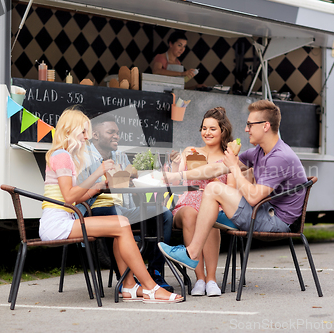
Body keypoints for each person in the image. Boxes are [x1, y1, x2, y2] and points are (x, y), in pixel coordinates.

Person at [40, 108, 182, 303]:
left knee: (122, 224)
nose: (86, 137)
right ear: (70, 130)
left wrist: (98, 186)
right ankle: (150, 287)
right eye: (83, 132)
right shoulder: (62, 155)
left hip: (67, 219)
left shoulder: (66, 156)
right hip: (56, 223)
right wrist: (98, 172)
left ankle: (130, 286)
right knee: (121, 224)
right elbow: (69, 197)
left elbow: (77, 197)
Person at [158, 100, 308, 270]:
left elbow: (253, 197)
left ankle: (191, 254)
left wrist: (234, 168)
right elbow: (216, 168)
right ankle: (198, 266)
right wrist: (177, 175)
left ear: (265, 126)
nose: (246, 129)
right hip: (264, 211)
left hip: (276, 220)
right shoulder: (259, 151)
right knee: (208, 199)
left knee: (213, 189)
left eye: (250, 125)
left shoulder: (280, 156)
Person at [83, 112, 175, 293]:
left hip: (123, 208)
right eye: (111, 132)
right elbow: (77, 190)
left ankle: (155, 271)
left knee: (164, 214)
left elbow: (126, 183)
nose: (116, 136)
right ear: (95, 135)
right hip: (93, 209)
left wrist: (134, 177)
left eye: (117, 132)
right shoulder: (83, 157)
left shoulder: (119, 156)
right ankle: (125, 280)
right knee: (113, 214)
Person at [171, 107, 235, 297]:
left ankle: (212, 279)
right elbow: (174, 181)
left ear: (223, 131)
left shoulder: (228, 157)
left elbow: (231, 189)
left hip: (215, 203)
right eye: (204, 128)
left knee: (210, 214)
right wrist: (175, 164)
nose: (207, 132)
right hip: (187, 202)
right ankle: (199, 278)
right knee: (192, 213)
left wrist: (217, 183)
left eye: (212, 129)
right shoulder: (190, 151)